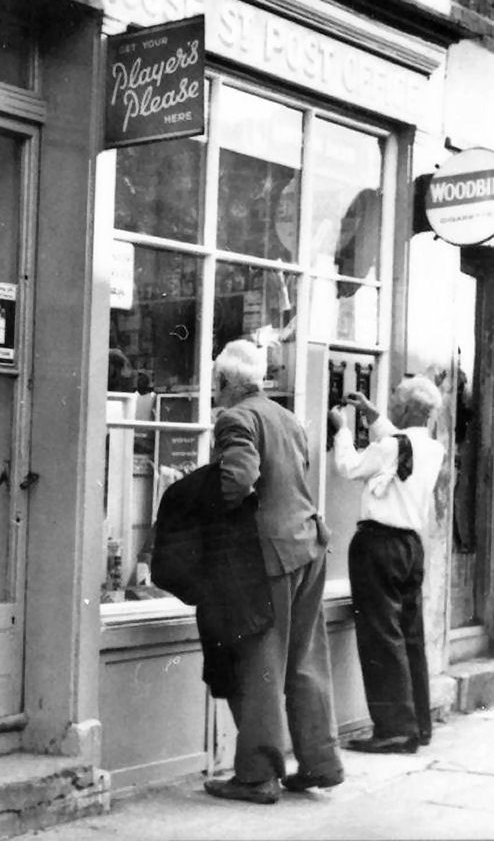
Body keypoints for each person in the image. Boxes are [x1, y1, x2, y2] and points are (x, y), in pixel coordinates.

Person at [203, 339, 344, 805]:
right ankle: (321, 762)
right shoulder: (286, 417)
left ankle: (258, 775)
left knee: (262, 662)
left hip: (270, 557)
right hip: (309, 546)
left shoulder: (235, 418)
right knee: (304, 660)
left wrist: (204, 502)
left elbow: (238, 479)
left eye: (215, 384)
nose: (214, 392)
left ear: (225, 383)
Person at [328, 375, 444, 753]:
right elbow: (401, 445)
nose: (390, 398)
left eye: (395, 395)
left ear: (408, 406)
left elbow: (348, 467)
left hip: (378, 543)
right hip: (411, 545)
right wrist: (375, 418)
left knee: (380, 635)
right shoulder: (431, 447)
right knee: (409, 634)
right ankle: (416, 725)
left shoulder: (391, 447)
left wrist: (342, 430)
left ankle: (393, 730)